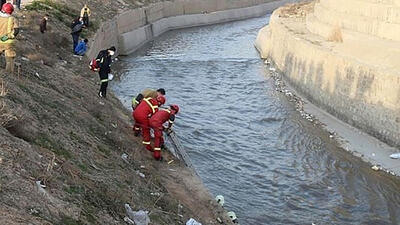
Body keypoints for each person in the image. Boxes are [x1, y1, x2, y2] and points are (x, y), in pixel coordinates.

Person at [0, 3, 18, 73]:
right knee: (10, 59)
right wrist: (9, 36)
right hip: (8, 43)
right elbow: (16, 31)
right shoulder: (13, 19)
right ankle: (8, 74)